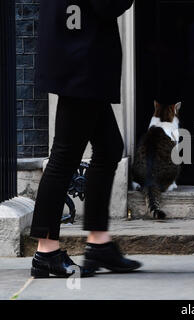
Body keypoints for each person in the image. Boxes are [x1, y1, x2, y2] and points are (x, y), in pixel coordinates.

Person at [30, 0, 141, 278]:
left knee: (109, 148)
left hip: (75, 57)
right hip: (82, 61)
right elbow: (107, 7)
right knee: (64, 156)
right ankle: (46, 251)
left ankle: (99, 243)